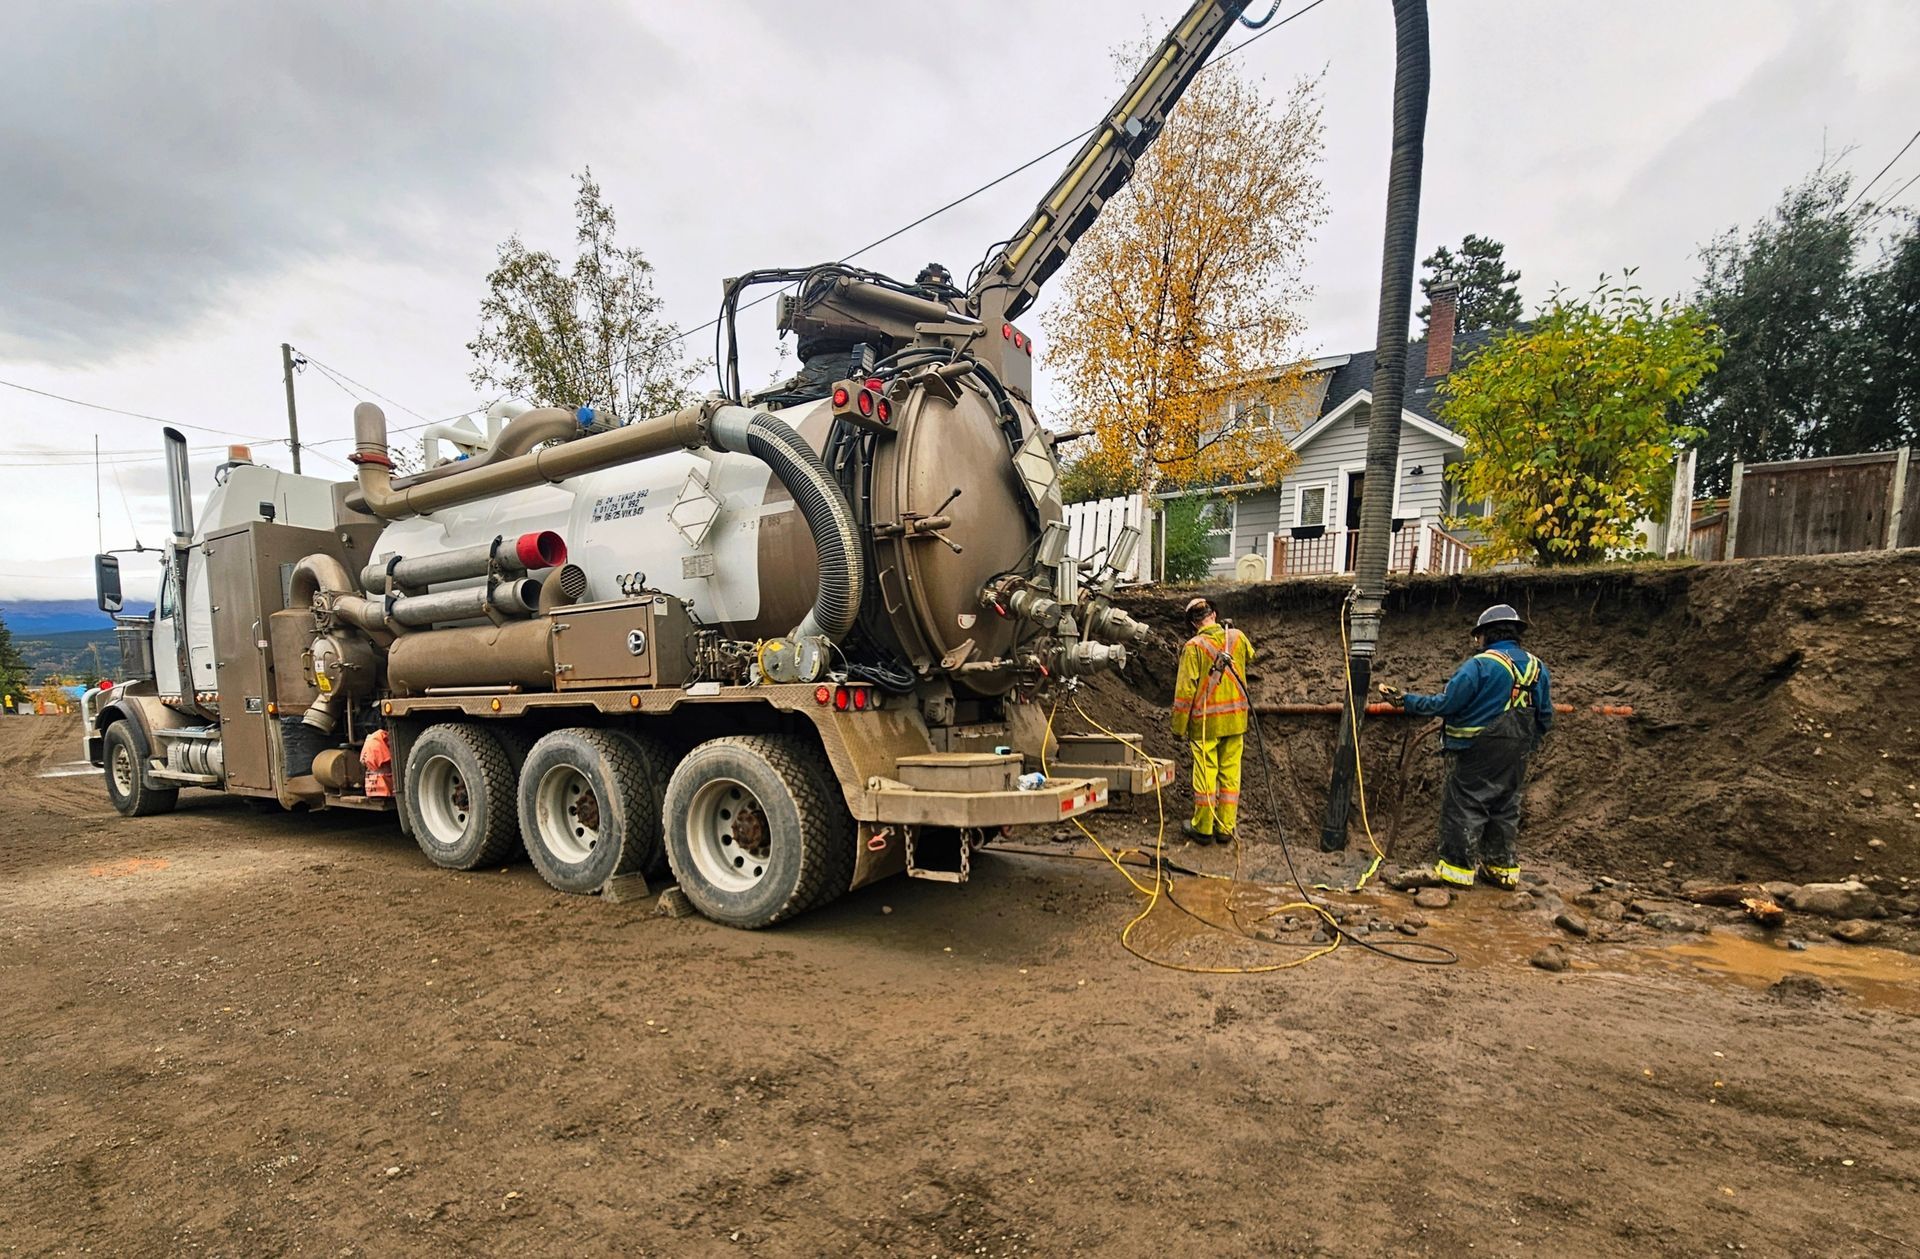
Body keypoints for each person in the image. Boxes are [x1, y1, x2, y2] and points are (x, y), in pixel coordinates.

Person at [1379, 603, 1552, 890]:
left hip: (1476, 748)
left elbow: (1447, 704)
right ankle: (1502, 871)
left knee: (1466, 805)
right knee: (1505, 805)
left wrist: (1405, 700)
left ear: (1485, 635)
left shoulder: (1482, 665)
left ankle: (1456, 871)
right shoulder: (1538, 668)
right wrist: (1528, 746)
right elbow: (1545, 716)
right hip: (1517, 751)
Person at [1170, 596, 1255, 845]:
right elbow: (1250, 655)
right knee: (1230, 776)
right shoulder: (1237, 637)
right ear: (1214, 616)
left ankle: (1204, 828)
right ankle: (1225, 829)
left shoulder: (1194, 646)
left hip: (1206, 723)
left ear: (1193, 624)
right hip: (1236, 720)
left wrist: (1178, 727)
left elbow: (1185, 692)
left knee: (1206, 775)